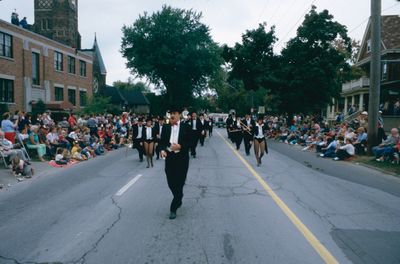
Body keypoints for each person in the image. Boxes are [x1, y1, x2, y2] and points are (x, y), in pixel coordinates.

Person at [160, 106, 191, 220]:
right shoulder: (166, 127)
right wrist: (162, 150)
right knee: (171, 182)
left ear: (179, 115)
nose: (172, 115)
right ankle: (179, 196)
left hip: (182, 158)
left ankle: (173, 208)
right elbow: (162, 142)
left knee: (180, 181)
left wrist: (181, 146)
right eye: (171, 113)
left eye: (174, 113)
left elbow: (191, 142)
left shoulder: (186, 127)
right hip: (170, 158)